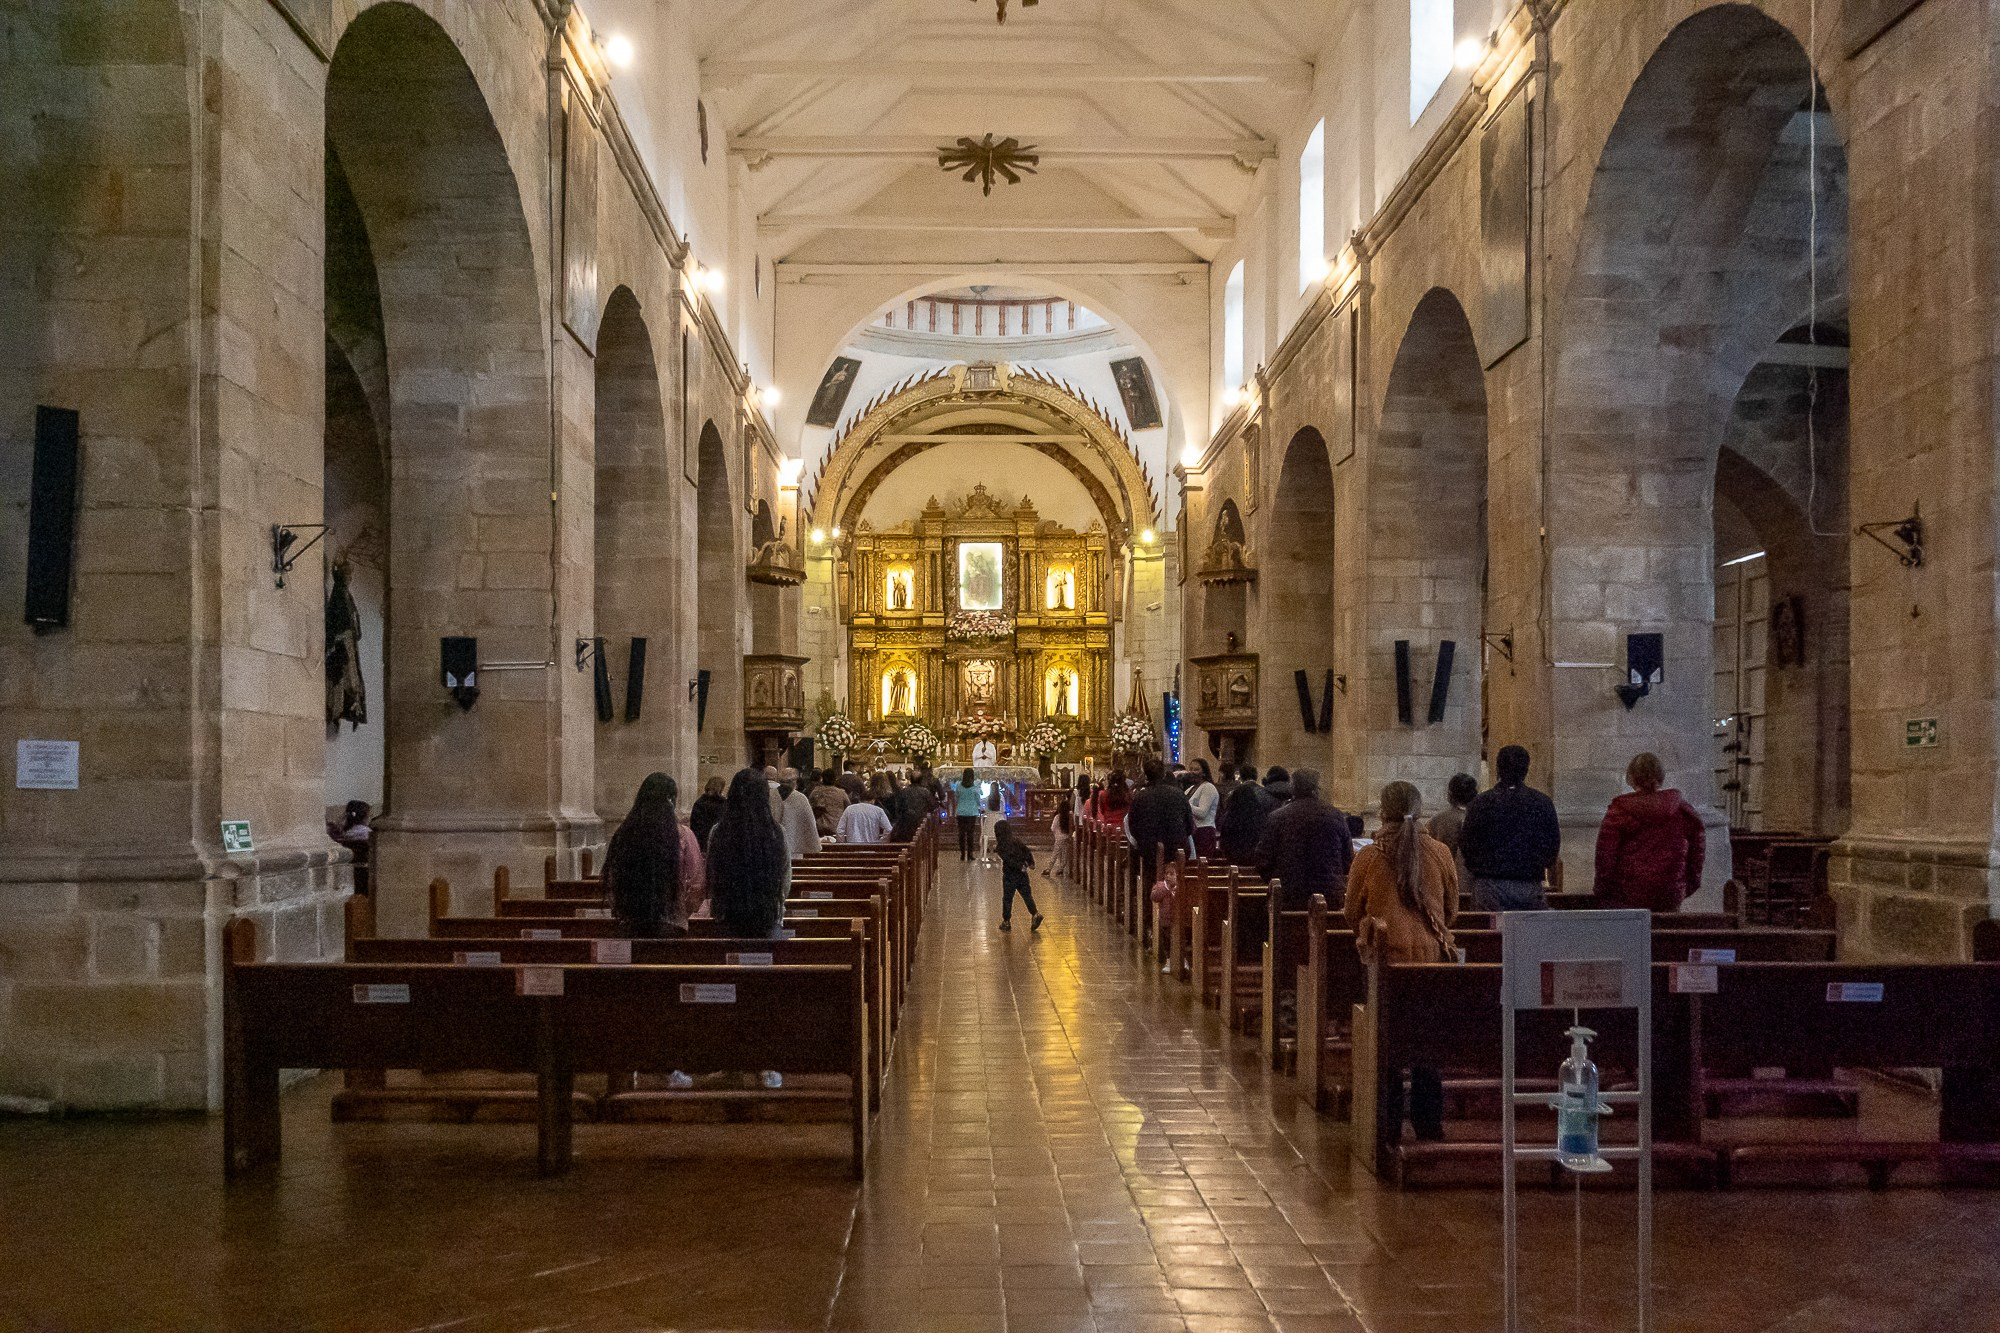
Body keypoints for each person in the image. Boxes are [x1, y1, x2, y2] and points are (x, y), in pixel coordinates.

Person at [1344, 781, 1459, 1141]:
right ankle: (1429, 1124)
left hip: (1385, 962)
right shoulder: (1439, 852)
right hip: (1430, 960)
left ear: (1382, 811)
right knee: (1427, 1042)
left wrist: (1371, 928)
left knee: (1386, 1043)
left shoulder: (1369, 857)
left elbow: (1351, 911)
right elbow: (1451, 910)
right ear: (1420, 810)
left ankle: (1387, 1127)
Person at [682, 767, 788, 1091]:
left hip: (727, 921)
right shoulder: (776, 833)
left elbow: (711, 877)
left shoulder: (719, 832)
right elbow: (784, 883)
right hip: (765, 924)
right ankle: (766, 1064)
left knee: (729, 992)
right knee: (764, 995)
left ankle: (730, 1063)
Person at [1593, 752, 1705, 911]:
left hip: (1626, 894)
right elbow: (1697, 854)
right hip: (1669, 893)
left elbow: (1605, 856)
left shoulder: (1620, 811)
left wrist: (1602, 891)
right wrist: (1685, 887)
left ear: (1632, 778)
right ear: (1661, 776)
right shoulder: (1682, 810)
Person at [1459, 744, 1562, 911]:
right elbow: (1552, 845)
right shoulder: (1542, 803)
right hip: (1528, 885)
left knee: (1488, 929)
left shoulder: (1481, 802)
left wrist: (1479, 869)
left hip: (1489, 884)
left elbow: (1467, 844)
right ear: (1526, 770)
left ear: (1498, 769)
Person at [602, 773, 706, 938]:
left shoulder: (625, 833)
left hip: (630, 923)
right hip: (672, 924)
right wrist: (682, 911)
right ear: (671, 800)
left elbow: (611, 878)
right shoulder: (683, 835)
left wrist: (621, 910)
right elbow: (697, 883)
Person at [706, 768, 792, 940]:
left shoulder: (719, 831)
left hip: (727, 915)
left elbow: (711, 872)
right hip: (767, 915)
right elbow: (785, 878)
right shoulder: (776, 832)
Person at [1255, 768, 1355, 910]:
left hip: (1288, 896)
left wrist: (1277, 881)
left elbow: (1263, 860)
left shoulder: (1277, 817)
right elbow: (1348, 860)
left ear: (1293, 789)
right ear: (1317, 790)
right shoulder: (1336, 816)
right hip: (1328, 897)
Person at [1128, 756, 1194, 888]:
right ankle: (1178, 899)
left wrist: (1143, 840)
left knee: (1150, 882)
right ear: (1164, 774)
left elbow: (1133, 825)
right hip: (1176, 845)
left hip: (1149, 848)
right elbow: (1189, 823)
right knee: (1177, 882)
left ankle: (1148, 899)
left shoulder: (1141, 796)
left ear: (1146, 776)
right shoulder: (1178, 794)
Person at [1427, 773, 1478, 890]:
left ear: (1450, 794)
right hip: (1473, 883)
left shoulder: (1437, 820)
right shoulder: (1481, 818)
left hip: (1444, 881)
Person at [1218, 764, 1277, 864]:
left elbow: (1224, 836)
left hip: (1234, 857)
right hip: (1254, 856)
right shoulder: (1264, 795)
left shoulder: (1233, 798)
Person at [992, 819, 1043, 932]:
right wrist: (1030, 862)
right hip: (1022, 875)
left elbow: (1008, 860)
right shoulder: (1016, 841)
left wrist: (1019, 866)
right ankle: (1035, 914)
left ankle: (1006, 921)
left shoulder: (1001, 847)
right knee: (1027, 895)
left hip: (1010, 876)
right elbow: (1026, 851)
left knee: (1007, 899)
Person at [776, 768, 821, 859]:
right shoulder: (801, 798)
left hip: (775, 847)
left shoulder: (770, 795)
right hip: (795, 846)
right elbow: (810, 823)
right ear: (795, 782)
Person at [1186, 760, 1220, 860]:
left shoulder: (1208, 787)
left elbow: (1202, 813)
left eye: (1196, 769)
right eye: (1191, 769)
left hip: (1204, 832)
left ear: (1204, 772)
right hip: (1193, 832)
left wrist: (1186, 804)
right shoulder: (1191, 788)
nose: (1192, 772)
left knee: (1202, 863)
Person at [949, 767, 983, 861]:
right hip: (971, 812)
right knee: (970, 834)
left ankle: (962, 854)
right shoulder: (975, 786)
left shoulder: (958, 785)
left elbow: (956, 797)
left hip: (961, 811)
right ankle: (970, 854)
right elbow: (977, 798)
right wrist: (979, 806)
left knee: (961, 833)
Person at [688, 776, 727, 848]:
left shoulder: (699, 802)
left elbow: (694, 824)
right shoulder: (723, 803)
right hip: (717, 841)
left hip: (700, 841)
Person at [810, 768, 848, 838]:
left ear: (822, 778)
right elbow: (848, 808)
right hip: (838, 826)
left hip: (821, 828)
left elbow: (811, 809)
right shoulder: (842, 793)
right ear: (835, 779)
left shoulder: (816, 792)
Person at [979, 780, 1007, 865]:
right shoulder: (1001, 798)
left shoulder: (988, 798)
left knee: (988, 836)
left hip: (989, 824)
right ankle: (999, 854)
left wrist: (984, 810)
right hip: (999, 821)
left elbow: (981, 803)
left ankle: (989, 853)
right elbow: (1003, 810)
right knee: (1000, 836)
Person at [1051, 800, 1075, 881]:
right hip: (1067, 837)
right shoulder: (1070, 816)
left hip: (1059, 837)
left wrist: (1056, 834)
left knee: (1055, 853)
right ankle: (1060, 868)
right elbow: (1072, 826)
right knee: (1065, 854)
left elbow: (1052, 828)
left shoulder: (1057, 817)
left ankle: (1048, 869)